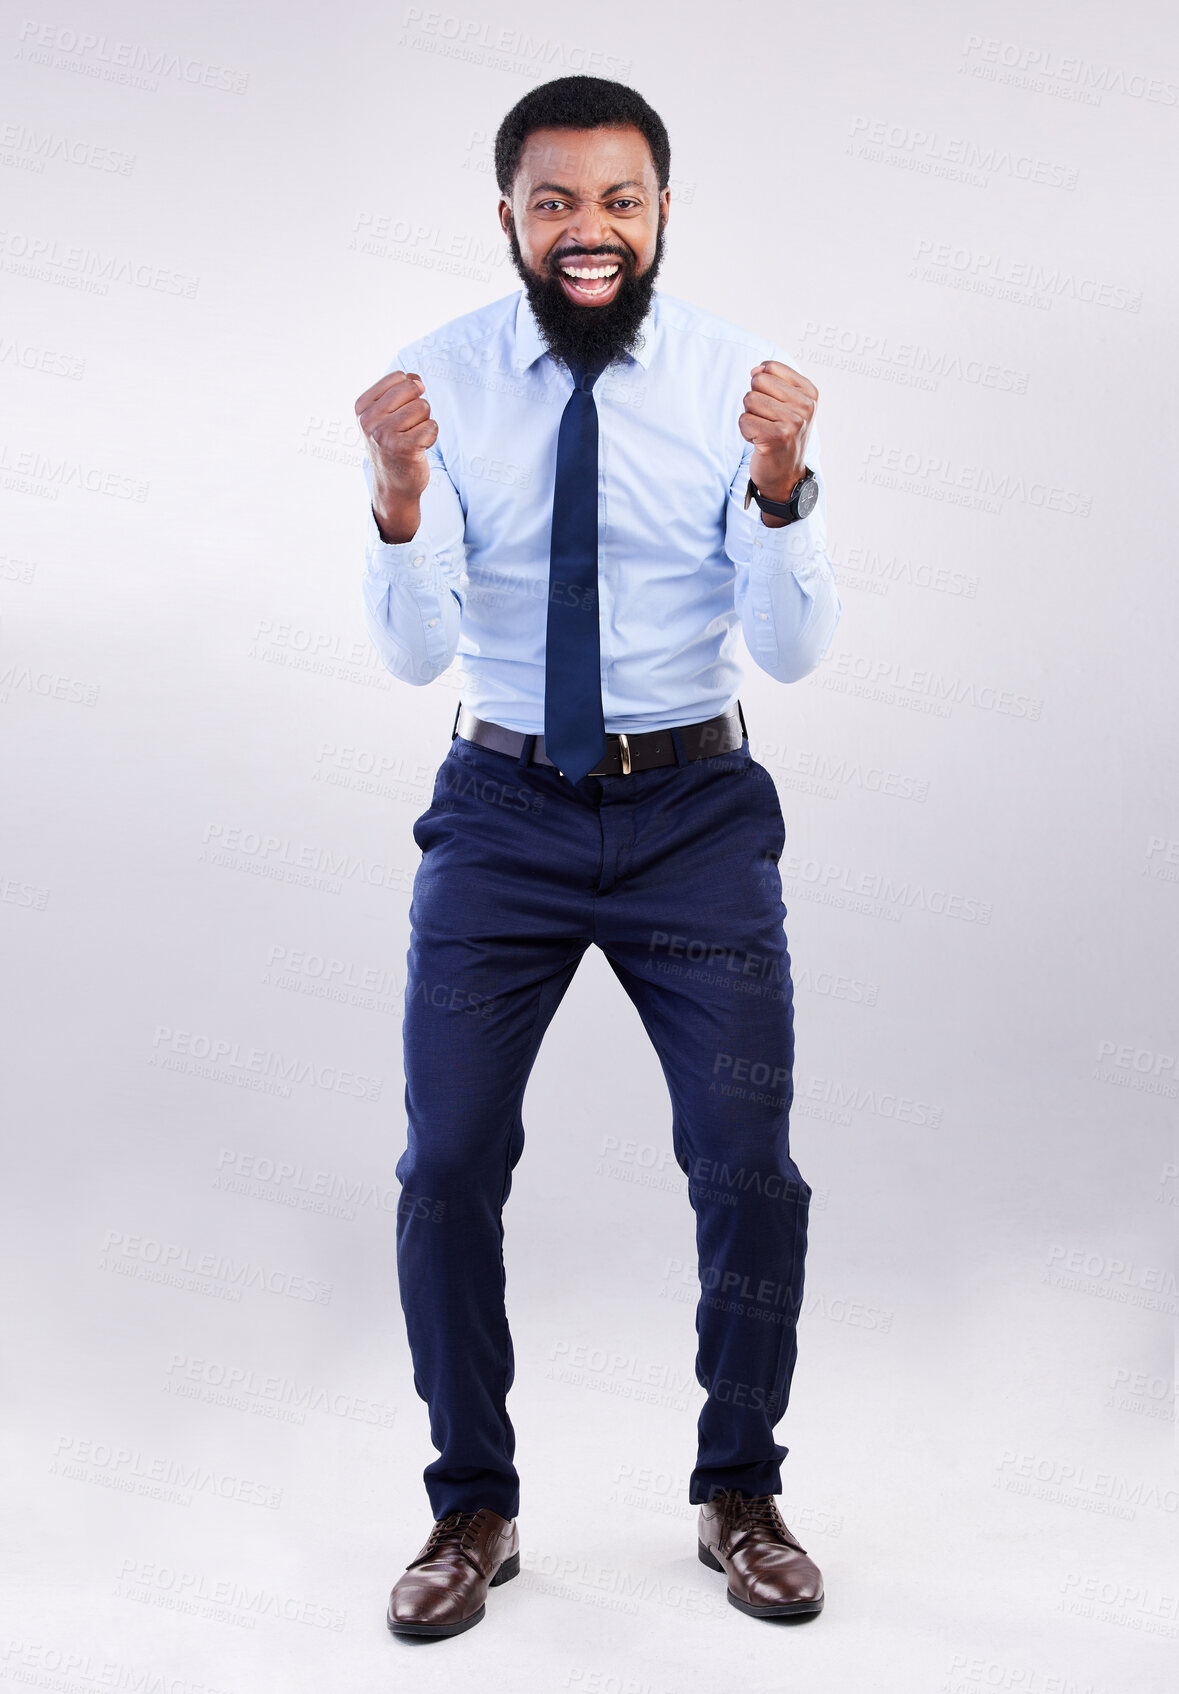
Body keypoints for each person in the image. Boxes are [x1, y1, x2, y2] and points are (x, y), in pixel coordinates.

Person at [354, 74, 842, 1638]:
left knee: (747, 1163)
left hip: (695, 810)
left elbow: (794, 649)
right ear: (508, 214)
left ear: (662, 216)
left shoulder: (732, 381)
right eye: (554, 202)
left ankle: (739, 1486)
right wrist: (397, 497)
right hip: (502, 814)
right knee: (446, 1166)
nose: (588, 232)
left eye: (618, 203)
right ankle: (470, 1506)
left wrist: (779, 492)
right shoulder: (433, 382)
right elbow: (413, 655)